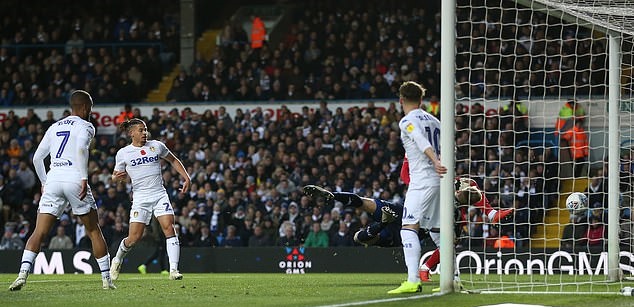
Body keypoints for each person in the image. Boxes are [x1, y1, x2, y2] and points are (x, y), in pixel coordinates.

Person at [9, 90, 116, 291]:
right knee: (93, 230)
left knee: (39, 232)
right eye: (90, 108)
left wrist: (44, 182)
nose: (90, 112)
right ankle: (106, 280)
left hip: (54, 179)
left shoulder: (54, 126)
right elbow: (82, 149)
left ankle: (22, 275)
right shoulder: (86, 126)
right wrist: (84, 177)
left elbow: (37, 158)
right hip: (75, 178)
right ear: (85, 108)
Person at [109, 118, 191, 281]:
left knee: (169, 228)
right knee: (133, 238)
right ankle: (117, 259)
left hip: (160, 194)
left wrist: (186, 177)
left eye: (145, 129)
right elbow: (115, 176)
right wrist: (118, 178)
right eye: (141, 130)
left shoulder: (156, 146)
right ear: (131, 133)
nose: (144, 133)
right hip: (140, 198)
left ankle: (173, 270)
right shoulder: (123, 153)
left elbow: (173, 159)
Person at [389, 81, 447, 294]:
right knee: (439, 232)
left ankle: (413, 280)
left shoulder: (407, 122)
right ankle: (455, 278)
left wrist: (435, 161)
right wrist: (443, 165)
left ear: (401, 100)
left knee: (408, 227)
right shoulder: (435, 120)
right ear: (421, 100)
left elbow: (421, 141)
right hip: (441, 180)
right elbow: (451, 145)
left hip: (423, 180)